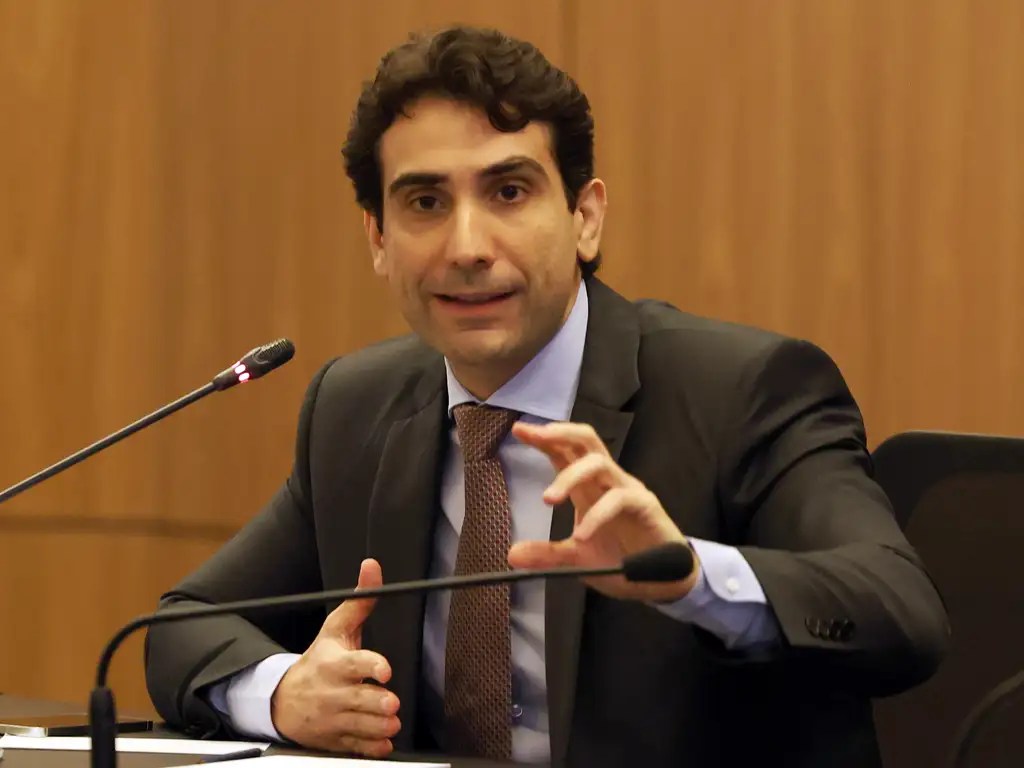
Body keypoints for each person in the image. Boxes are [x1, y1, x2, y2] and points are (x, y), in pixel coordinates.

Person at [144, 25, 949, 767]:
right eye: (425, 203)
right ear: (378, 240)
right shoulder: (356, 409)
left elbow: (900, 613)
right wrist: (283, 693)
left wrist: (689, 576)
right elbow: (180, 626)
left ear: (584, 218)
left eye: (508, 192)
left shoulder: (743, 391)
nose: (467, 247)